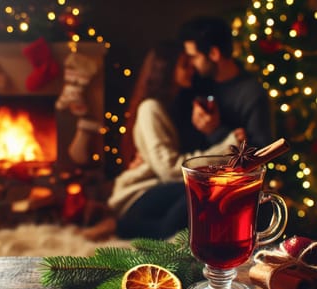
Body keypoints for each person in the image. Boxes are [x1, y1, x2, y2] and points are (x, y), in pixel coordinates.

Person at [81, 41, 243, 241]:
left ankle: (131, 228)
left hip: (162, 190)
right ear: (166, 69)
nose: (192, 69)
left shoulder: (175, 105)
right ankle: (119, 227)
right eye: (184, 65)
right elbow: (169, 170)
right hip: (139, 195)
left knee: (202, 201)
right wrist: (227, 150)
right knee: (203, 192)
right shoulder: (150, 108)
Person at [179, 16, 272, 150]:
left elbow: (262, 153)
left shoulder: (251, 93)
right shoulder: (195, 83)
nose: (191, 64)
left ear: (214, 53)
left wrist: (214, 131)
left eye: (194, 57)